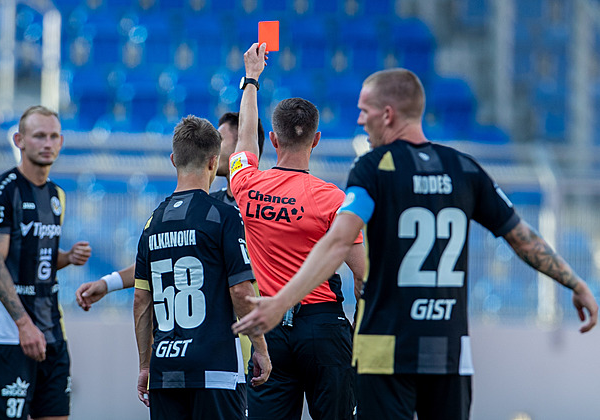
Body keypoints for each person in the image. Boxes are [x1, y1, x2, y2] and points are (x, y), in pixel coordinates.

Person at [232, 68, 600, 420]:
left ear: (388, 114)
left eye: (365, 111)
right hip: (449, 348)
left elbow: (339, 242)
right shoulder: (465, 168)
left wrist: (281, 301)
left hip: (386, 345)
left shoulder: (374, 168)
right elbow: (522, 237)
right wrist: (574, 281)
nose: (360, 120)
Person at [229, 43, 366, 420]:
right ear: (316, 140)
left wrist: (252, 80)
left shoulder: (247, 185)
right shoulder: (332, 198)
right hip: (323, 327)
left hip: (269, 328)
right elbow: (362, 274)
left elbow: (242, 141)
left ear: (272, 140)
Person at [133, 115, 271, 420]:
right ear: (214, 161)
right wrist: (260, 347)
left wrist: (145, 365)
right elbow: (240, 290)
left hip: (165, 367)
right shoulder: (223, 216)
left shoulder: (152, 222)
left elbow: (142, 301)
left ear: (173, 160)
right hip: (215, 369)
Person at [75, 112, 265, 306]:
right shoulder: (210, 207)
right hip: (225, 329)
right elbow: (163, 257)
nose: (213, 145)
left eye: (221, 139)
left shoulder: (267, 207)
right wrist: (108, 283)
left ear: (244, 146)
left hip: (267, 326)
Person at [0, 105, 92, 420]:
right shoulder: (1, 191)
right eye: (39, 135)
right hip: (9, 335)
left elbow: (34, 257)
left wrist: (67, 258)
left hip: (52, 331)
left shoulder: (57, 194)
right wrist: (24, 326)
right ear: (19, 140)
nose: (47, 143)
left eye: (54, 136)